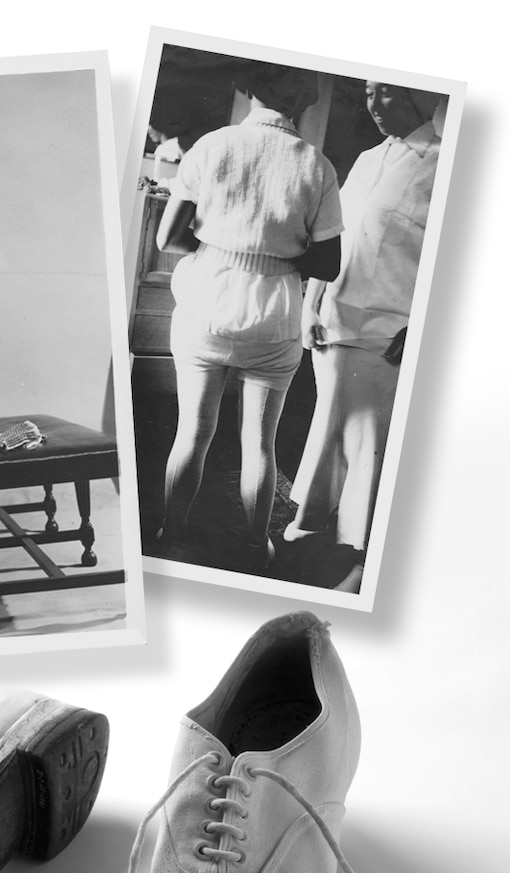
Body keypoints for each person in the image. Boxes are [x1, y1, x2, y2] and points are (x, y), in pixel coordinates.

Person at [153, 64, 343, 572]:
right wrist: (275, 252)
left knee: (192, 432)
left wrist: (223, 246)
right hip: (274, 311)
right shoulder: (316, 166)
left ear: (250, 87)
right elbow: (327, 264)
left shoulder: (212, 145)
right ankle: (258, 545)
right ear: (304, 98)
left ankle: (171, 535)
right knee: (259, 442)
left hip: (208, 298)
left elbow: (167, 239)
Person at [285, 83, 443, 592]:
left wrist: (420, 326)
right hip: (333, 319)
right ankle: (310, 527)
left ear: (418, 97)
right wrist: (311, 304)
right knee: (328, 429)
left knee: (368, 444)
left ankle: (360, 561)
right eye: (369, 95)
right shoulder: (368, 157)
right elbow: (335, 236)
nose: (374, 106)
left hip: (387, 327)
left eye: (387, 95)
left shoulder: (444, 163)